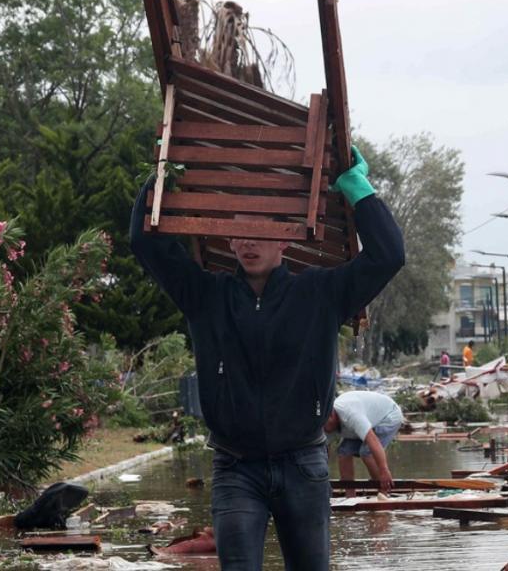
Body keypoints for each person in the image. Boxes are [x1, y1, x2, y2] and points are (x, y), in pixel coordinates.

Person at [130, 146, 404, 571]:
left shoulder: (320, 294)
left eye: (260, 230)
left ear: (285, 237)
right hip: (236, 468)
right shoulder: (206, 296)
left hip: (303, 465)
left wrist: (357, 188)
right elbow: (145, 243)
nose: (248, 241)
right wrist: (167, 178)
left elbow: (388, 255)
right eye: (240, 231)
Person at [323, 391, 403, 496]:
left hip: (388, 416)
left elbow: (373, 440)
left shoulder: (351, 414)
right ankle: (350, 495)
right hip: (365, 419)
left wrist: (384, 470)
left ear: (332, 415)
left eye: (325, 424)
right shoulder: (323, 423)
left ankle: (384, 492)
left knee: (366, 452)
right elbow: (322, 451)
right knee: (343, 451)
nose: (324, 429)